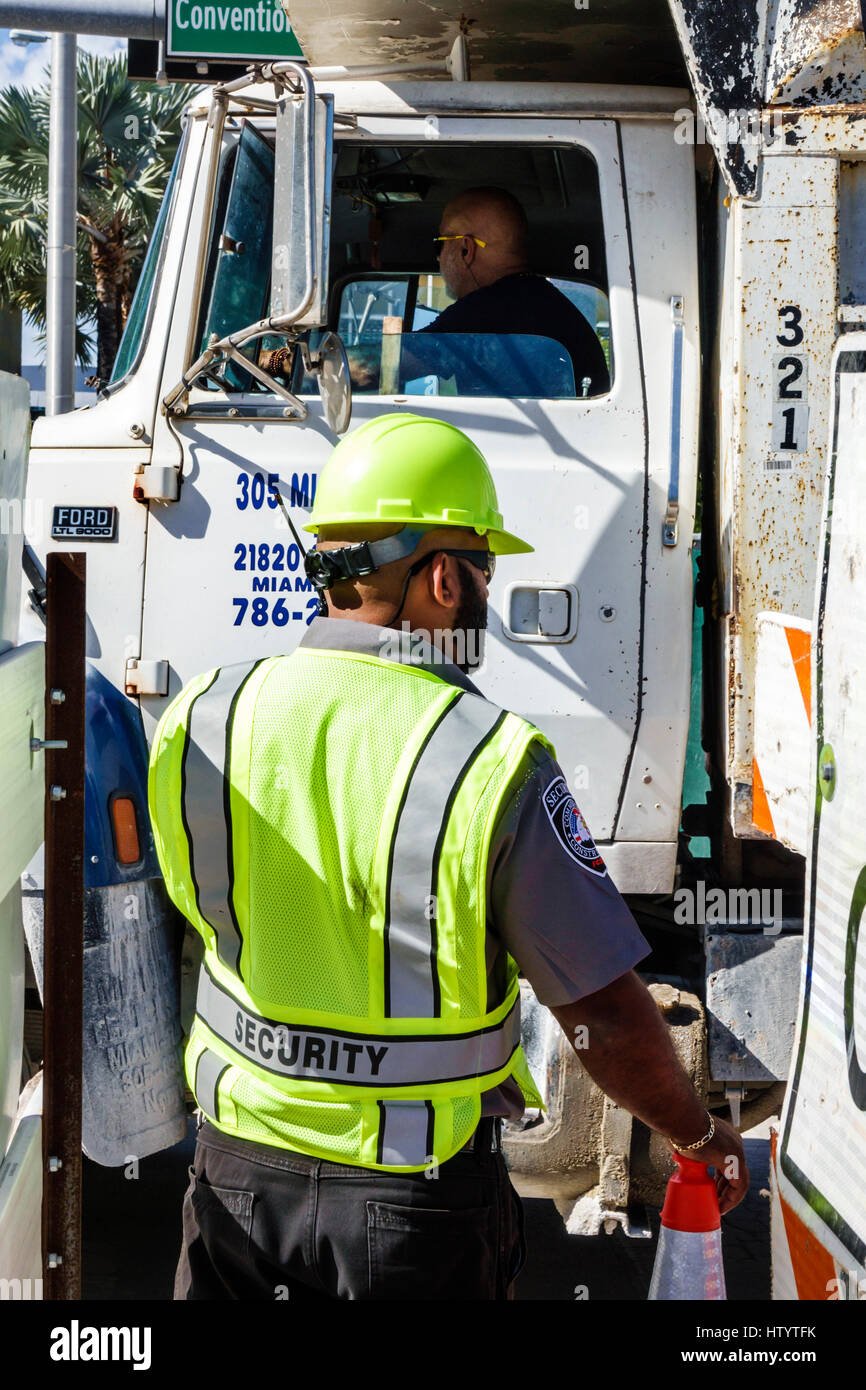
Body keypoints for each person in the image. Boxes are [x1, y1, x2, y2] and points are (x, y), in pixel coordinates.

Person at [148, 414, 746, 1302]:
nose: (487, 603)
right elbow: (602, 1017)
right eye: (484, 576)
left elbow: (203, 919)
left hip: (236, 1183)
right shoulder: (490, 755)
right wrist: (699, 1135)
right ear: (440, 578)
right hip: (412, 1213)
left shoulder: (203, 717)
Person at [419, 186, 611, 396]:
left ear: (466, 248)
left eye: (440, 244)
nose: (438, 257)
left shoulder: (484, 311)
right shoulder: (549, 305)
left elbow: (394, 363)